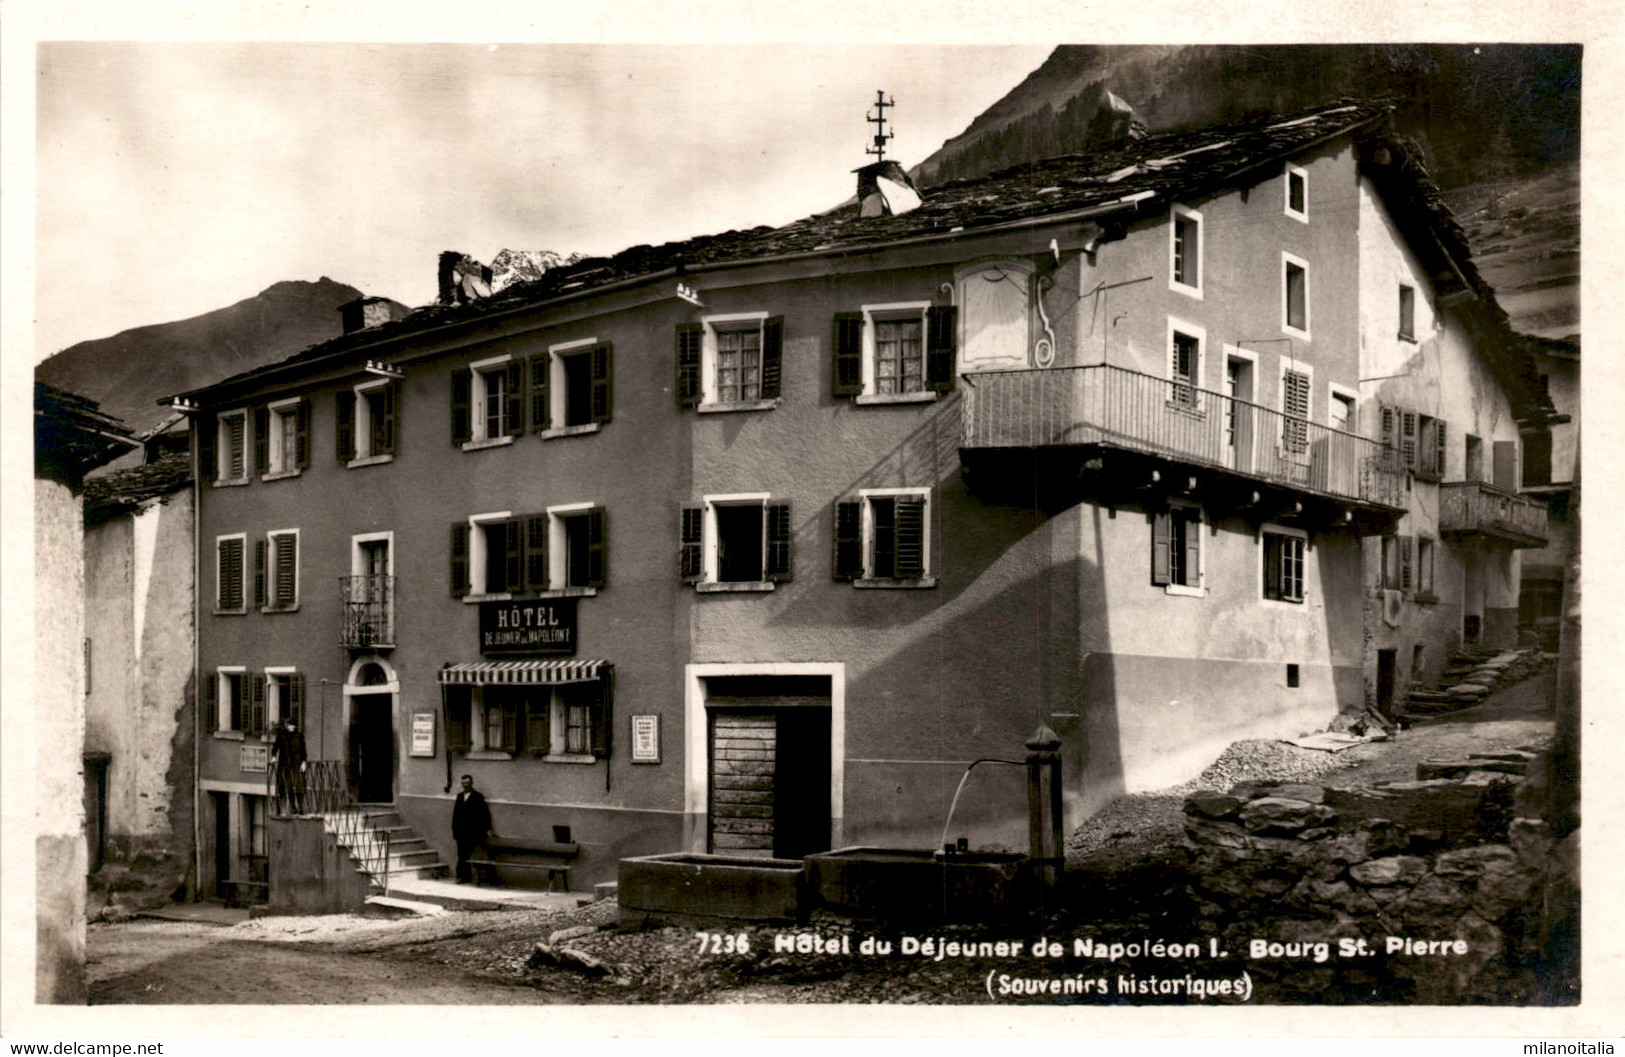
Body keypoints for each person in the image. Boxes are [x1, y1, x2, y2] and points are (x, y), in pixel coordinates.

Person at [451, 774, 491, 884]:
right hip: (461, 833)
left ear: (471, 783)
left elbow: (484, 814)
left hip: (473, 832)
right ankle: (462, 877)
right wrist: (455, 830)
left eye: (467, 783)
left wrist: (486, 829)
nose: (465, 785)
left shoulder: (478, 797)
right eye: (463, 783)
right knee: (462, 855)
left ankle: (471, 877)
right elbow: (455, 815)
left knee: (471, 854)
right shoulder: (459, 797)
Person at [270, 716, 307, 815]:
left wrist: (304, 762)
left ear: (295, 726)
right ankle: (293, 807)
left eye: (292, 726)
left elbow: (303, 750)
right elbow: (275, 748)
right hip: (285, 765)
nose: (291, 727)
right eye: (289, 725)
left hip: (297, 765)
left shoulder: (299, 736)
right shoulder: (282, 736)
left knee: (299, 787)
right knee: (289, 787)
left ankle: (300, 808)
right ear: (286, 726)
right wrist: (273, 757)